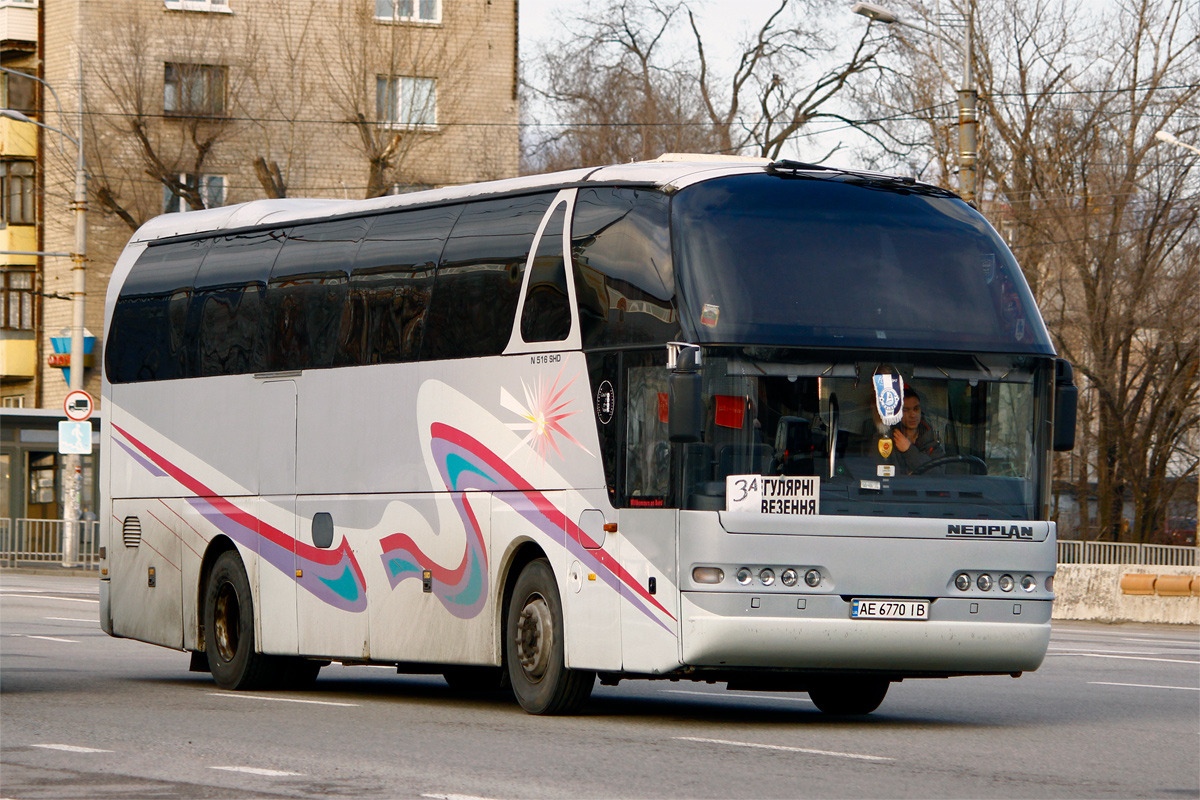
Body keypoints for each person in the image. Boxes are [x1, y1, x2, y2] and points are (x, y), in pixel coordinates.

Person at [892, 389, 945, 474]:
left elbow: (938, 474)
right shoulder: (887, 439)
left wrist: (909, 450)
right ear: (897, 413)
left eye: (916, 409)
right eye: (905, 410)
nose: (913, 415)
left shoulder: (932, 440)